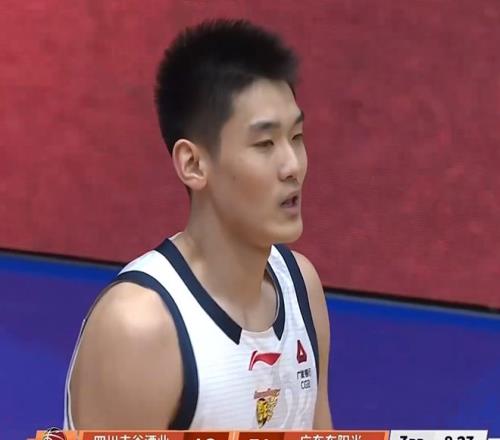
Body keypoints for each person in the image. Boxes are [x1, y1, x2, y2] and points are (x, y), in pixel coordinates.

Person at [64, 18, 332, 430]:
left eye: (296, 137)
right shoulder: (140, 328)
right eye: (265, 143)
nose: (293, 165)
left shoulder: (302, 289)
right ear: (193, 164)